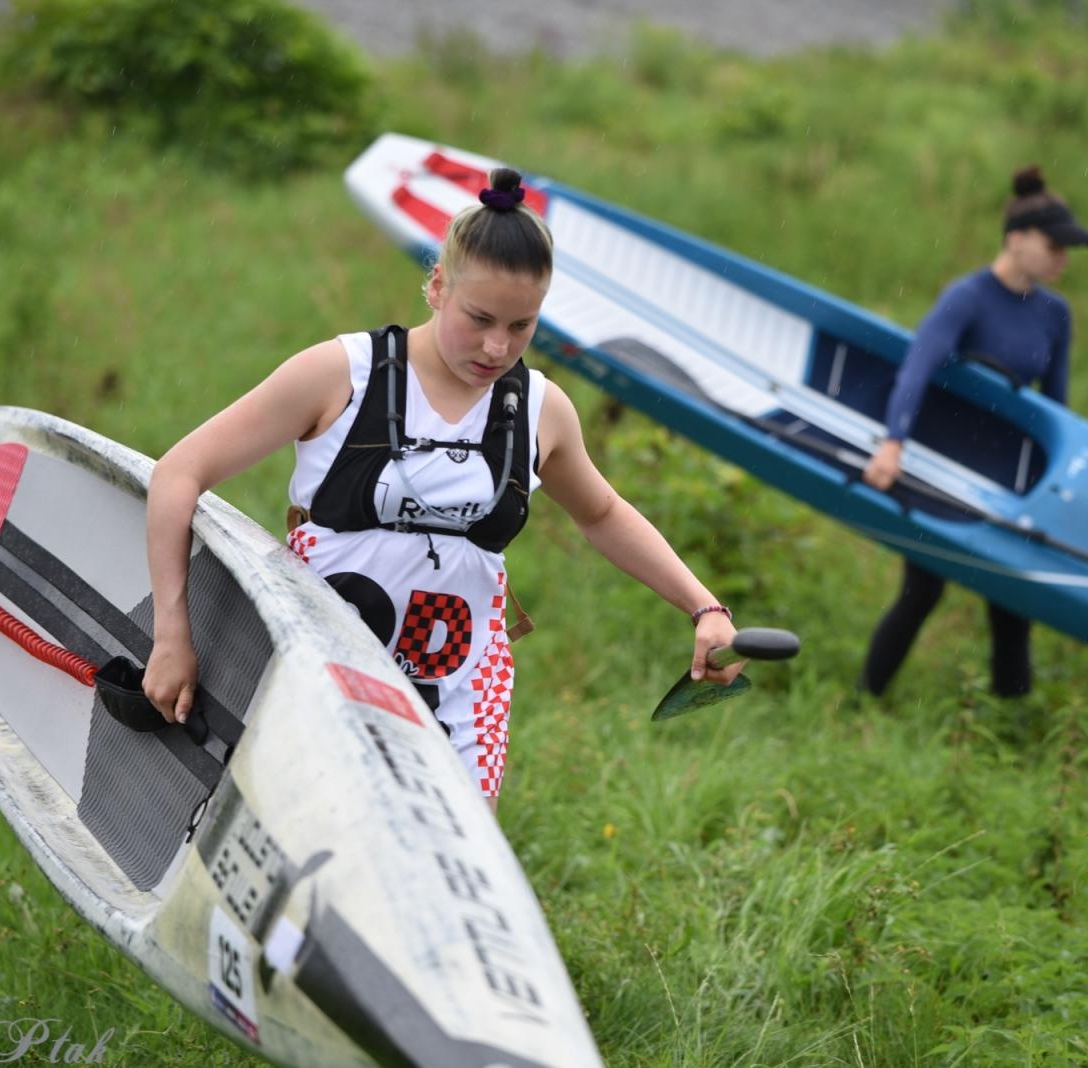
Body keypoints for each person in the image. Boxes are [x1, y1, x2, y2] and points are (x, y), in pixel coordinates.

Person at [143, 167, 741, 810]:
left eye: (522, 326)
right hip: (313, 671)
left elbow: (602, 514)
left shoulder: (541, 409)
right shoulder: (340, 373)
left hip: (461, 696)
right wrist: (171, 634)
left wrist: (706, 609)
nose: (496, 346)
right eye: (479, 318)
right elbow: (180, 473)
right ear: (435, 286)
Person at [858, 164, 1088, 700]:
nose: (1063, 257)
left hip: (1007, 474)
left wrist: (1056, 485)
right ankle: (865, 700)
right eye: (1054, 245)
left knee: (1011, 603)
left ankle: (1009, 731)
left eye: (1068, 249)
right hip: (944, 465)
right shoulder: (967, 297)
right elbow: (916, 369)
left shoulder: (1054, 314)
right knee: (923, 588)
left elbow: (1055, 407)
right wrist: (893, 442)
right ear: (1016, 241)